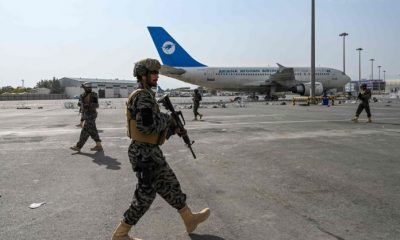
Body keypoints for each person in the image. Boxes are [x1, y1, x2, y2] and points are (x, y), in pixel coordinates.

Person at [111, 58, 210, 240]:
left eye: (157, 73)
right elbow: (146, 126)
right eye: (153, 73)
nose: (156, 76)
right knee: (145, 195)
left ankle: (189, 219)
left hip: (150, 150)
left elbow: (153, 129)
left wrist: (172, 129)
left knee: (170, 184)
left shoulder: (146, 95)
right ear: (142, 75)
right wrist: (168, 119)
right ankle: (121, 234)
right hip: (144, 153)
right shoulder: (143, 96)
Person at [70, 82, 103, 152]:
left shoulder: (93, 95)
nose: (88, 88)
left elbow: (96, 105)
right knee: (92, 131)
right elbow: (79, 103)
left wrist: (87, 105)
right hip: (86, 114)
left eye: (89, 87)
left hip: (91, 115)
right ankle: (98, 145)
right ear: (84, 88)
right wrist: (80, 104)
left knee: (85, 131)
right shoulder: (82, 95)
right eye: (87, 87)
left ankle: (78, 146)